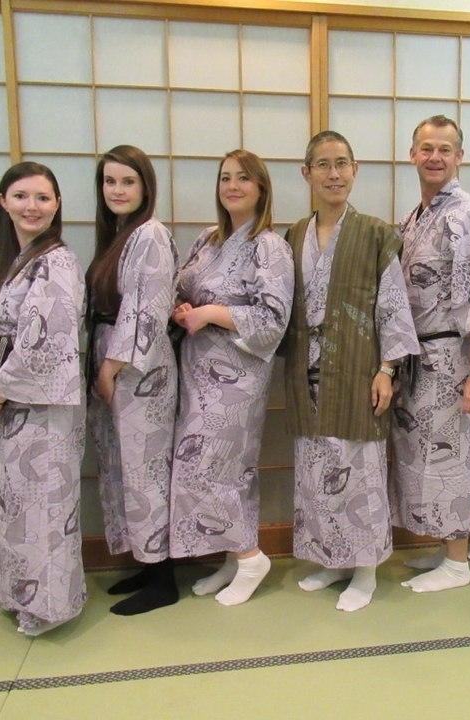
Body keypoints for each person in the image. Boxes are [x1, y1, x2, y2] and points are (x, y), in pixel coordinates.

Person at [282, 131, 419, 612]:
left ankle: (364, 568)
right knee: (316, 467)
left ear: (355, 169)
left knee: (359, 466)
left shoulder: (378, 233)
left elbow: (393, 306)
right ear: (307, 173)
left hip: (358, 364)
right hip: (305, 366)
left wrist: (387, 368)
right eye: (323, 164)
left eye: (342, 163)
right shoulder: (293, 235)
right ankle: (331, 558)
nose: (334, 173)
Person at [0, 162, 87, 635]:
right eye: (21, 196)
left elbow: (42, 342)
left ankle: (50, 606)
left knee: (45, 506)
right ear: (3, 202)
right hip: (2, 401)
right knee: (10, 503)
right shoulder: (6, 263)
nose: (31, 206)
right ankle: (17, 593)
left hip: (43, 408)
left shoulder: (57, 262)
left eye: (42, 197)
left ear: (56, 205)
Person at [169, 149, 295, 606]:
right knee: (214, 467)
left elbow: (274, 318)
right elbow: (180, 288)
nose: (233, 186)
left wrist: (209, 314)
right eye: (225, 178)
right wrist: (184, 309)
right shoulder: (208, 239)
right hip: (197, 370)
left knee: (213, 465)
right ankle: (231, 556)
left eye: (243, 178)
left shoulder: (269, 246)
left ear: (261, 187)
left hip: (237, 377)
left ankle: (250, 556)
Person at [390, 115, 470, 593]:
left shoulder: (469, 212)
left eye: (445, 149)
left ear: (460, 157)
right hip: (416, 357)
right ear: (412, 154)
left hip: (450, 357)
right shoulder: (415, 216)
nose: (435, 157)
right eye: (426, 148)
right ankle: (443, 548)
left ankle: (457, 562)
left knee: (449, 457)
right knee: (422, 456)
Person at [87, 145, 179, 616]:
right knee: (124, 464)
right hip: (116, 360)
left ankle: (164, 579)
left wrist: (111, 364)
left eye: (127, 181)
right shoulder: (120, 235)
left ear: (145, 187)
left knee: (147, 467)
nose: (117, 191)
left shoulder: (150, 235)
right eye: (109, 182)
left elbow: (149, 308)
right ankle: (146, 561)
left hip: (140, 369)